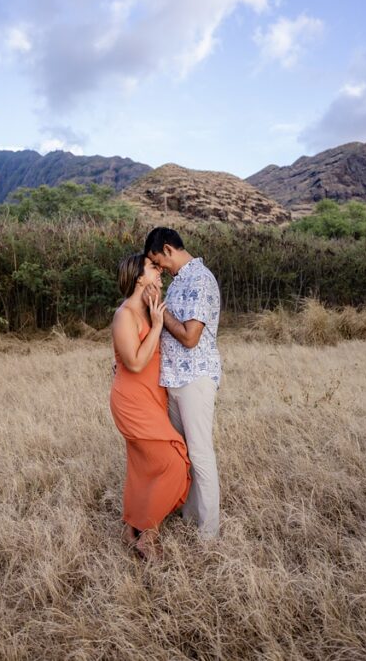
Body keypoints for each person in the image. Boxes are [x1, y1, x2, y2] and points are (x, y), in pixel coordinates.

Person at [109, 253, 191, 561]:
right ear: (139, 276)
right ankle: (149, 535)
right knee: (174, 462)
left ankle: (131, 528)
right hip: (132, 401)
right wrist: (157, 325)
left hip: (153, 397)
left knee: (144, 465)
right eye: (153, 268)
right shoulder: (125, 315)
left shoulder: (148, 308)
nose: (160, 272)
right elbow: (134, 363)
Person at [144, 227, 222, 539]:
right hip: (174, 378)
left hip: (195, 378)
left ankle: (209, 532)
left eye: (158, 261)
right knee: (182, 453)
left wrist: (160, 311)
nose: (159, 268)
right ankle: (190, 515)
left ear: (168, 249)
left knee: (200, 454)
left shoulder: (199, 279)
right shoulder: (179, 281)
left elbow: (190, 337)